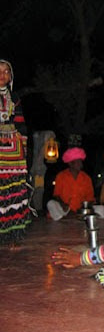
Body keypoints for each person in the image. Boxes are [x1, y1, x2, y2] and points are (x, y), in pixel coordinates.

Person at [0, 59, 32, 245]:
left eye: (6, 72)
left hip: (14, 148)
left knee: (14, 189)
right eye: (0, 71)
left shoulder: (15, 97)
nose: (3, 75)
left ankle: (14, 231)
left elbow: (20, 122)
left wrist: (23, 144)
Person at [47, 147, 95, 220]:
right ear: (70, 163)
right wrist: (63, 204)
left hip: (81, 211)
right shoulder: (61, 176)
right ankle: (63, 218)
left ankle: (64, 218)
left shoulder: (86, 178)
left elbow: (90, 198)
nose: (80, 164)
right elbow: (56, 195)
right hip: (65, 210)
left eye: (81, 162)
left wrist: (85, 206)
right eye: (78, 162)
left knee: (100, 209)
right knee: (51, 203)